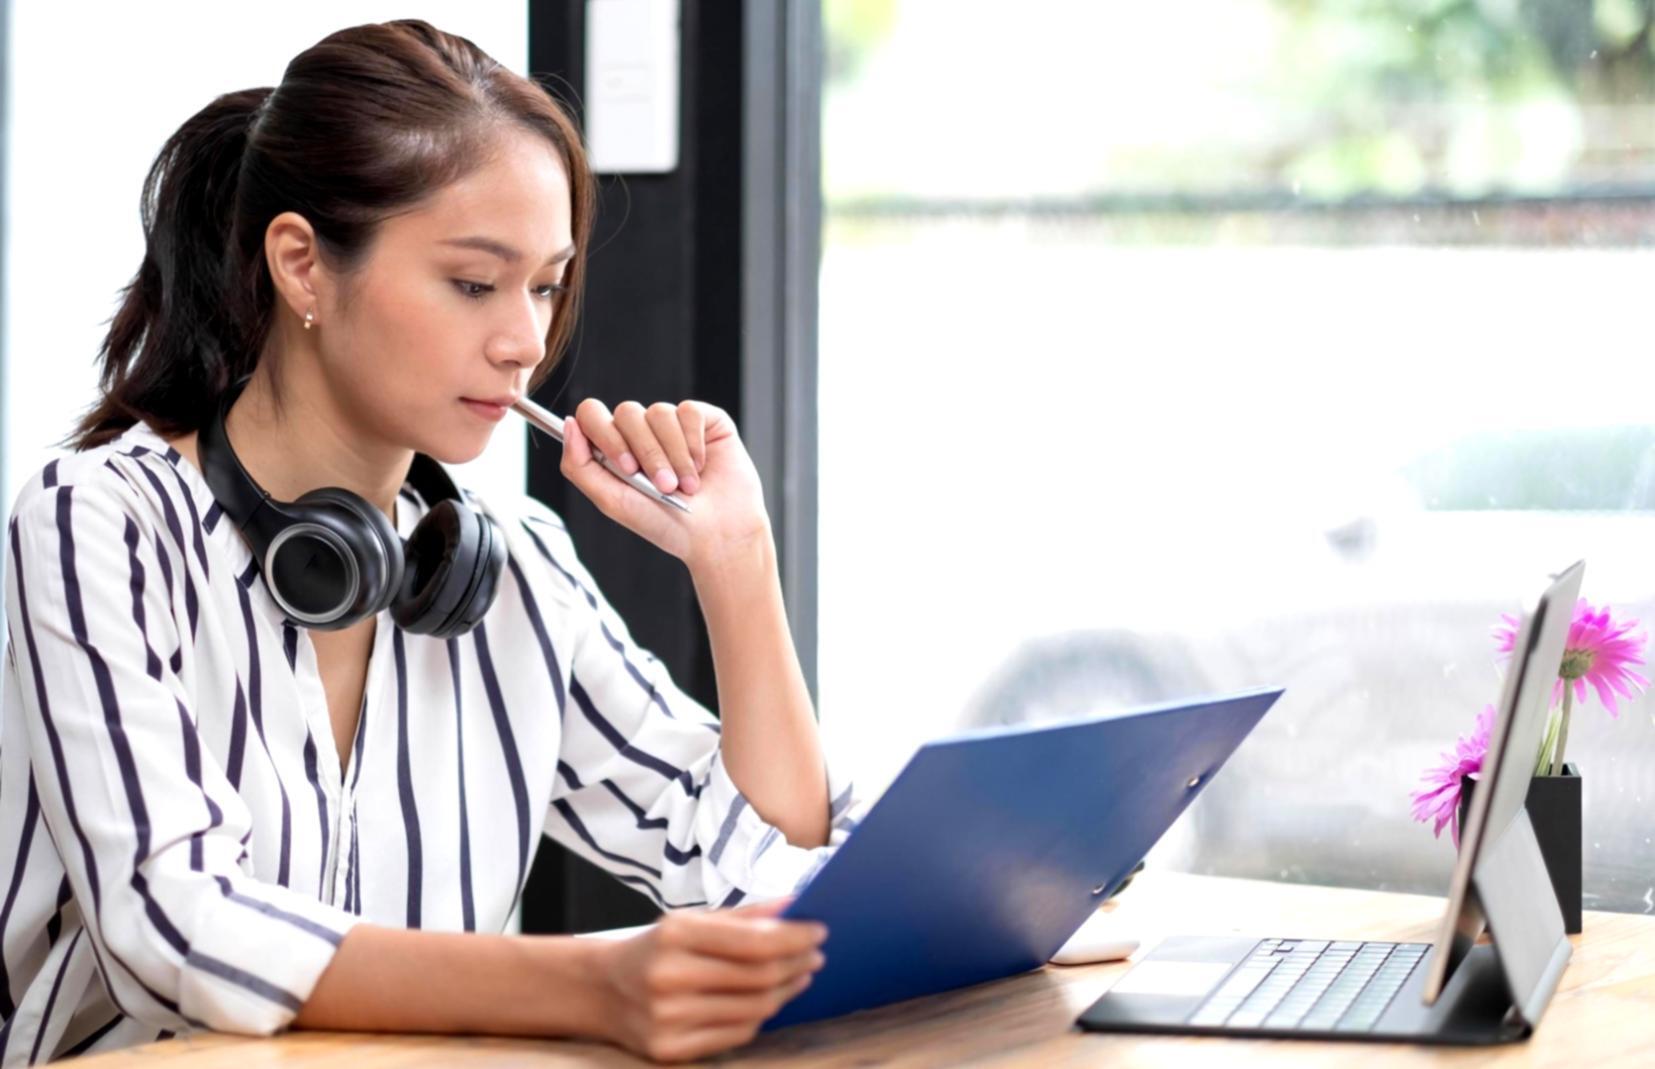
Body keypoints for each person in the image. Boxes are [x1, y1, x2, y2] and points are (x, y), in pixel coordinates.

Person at [0, 18, 860, 1065]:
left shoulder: (513, 568)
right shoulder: (104, 525)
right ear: (304, 267)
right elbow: (175, 924)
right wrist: (591, 982)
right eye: (472, 282)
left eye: (543, 284)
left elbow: (759, 871)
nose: (526, 340)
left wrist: (737, 563)